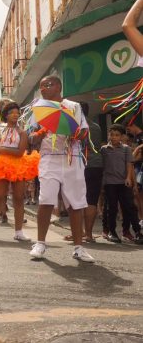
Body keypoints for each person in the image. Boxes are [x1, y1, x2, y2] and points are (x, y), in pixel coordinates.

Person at [28, 75, 95, 263]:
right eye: (41, 87)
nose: (43, 89)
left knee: (76, 203)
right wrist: (39, 134)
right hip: (49, 158)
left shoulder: (73, 106)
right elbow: (31, 136)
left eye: (46, 85)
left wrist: (74, 133)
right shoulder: (39, 109)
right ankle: (40, 243)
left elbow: (84, 131)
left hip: (71, 158)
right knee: (46, 200)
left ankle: (79, 247)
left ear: (58, 86)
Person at [0, 102, 38, 241]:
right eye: (12, 112)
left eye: (17, 113)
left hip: (18, 165)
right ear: (6, 115)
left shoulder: (22, 132)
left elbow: (20, 152)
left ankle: (19, 232)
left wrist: (2, 150)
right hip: (2, 165)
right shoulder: (1, 131)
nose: (15, 115)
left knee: (18, 198)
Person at [101, 124, 143, 244]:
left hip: (124, 182)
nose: (114, 137)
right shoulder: (104, 149)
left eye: (117, 135)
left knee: (130, 207)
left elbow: (129, 164)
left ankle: (137, 232)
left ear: (122, 136)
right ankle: (112, 232)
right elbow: (102, 166)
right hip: (110, 183)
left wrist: (129, 178)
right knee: (112, 208)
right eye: (112, 135)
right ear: (109, 135)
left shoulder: (126, 149)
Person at [79, 102, 103, 243]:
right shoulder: (96, 126)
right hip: (96, 165)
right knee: (92, 200)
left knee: (78, 200)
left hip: (81, 165)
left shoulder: (76, 128)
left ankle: (80, 232)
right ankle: (88, 234)